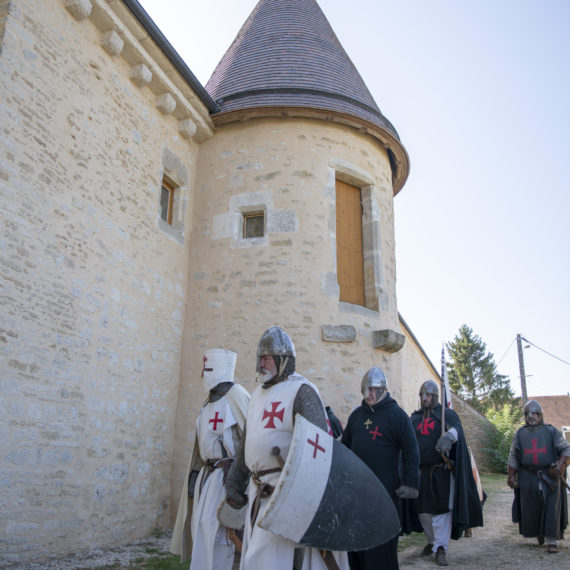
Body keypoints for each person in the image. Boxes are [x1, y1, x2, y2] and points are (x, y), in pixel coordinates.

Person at [225, 326, 348, 570]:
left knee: (273, 561)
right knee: (257, 559)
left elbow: (318, 450)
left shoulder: (302, 392)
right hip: (258, 493)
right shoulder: (258, 394)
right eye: (260, 357)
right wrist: (235, 481)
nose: (261, 363)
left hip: (284, 494)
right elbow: (246, 445)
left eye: (267, 357)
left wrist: (307, 498)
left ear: (283, 360)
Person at [170, 348, 250, 569]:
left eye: (206, 369)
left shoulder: (238, 397)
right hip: (208, 479)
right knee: (201, 528)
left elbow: (252, 439)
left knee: (220, 534)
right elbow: (200, 448)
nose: (202, 374)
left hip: (228, 479)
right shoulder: (207, 404)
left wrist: (240, 480)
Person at [341, 366, 419, 570]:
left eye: (374, 389)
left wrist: (411, 483)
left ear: (383, 390)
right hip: (357, 495)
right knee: (356, 548)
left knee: (380, 551)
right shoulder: (357, 416)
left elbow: (411, 450)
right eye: (367, 389)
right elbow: (344, 448)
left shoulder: (397, 415)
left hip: (385, 495)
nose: (370, 393)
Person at [410, 380, 483, 567]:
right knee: (422, 511)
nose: (425, 398)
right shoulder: (415, 418)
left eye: (429, 395)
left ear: (435, 396)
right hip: (421, 473)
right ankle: (432, 541)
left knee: (441, 511)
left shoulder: (446, 414)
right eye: (422, 395)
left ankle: (441, 548)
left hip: (441, 471)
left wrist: (450, 437)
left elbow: (458, 429)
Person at [507, 399, 570, 554]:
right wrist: (511, 475)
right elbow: (514, 455)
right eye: (528, 413)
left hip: (550, 475)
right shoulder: (520, 433)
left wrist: (561, 464)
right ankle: (538, 533)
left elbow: (566, 449)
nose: (531, 416)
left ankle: (552, 540)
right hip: (528, 475)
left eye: (535, 413)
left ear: (540, 415)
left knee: (551, 507)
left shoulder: (551, 431)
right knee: (532, 507)